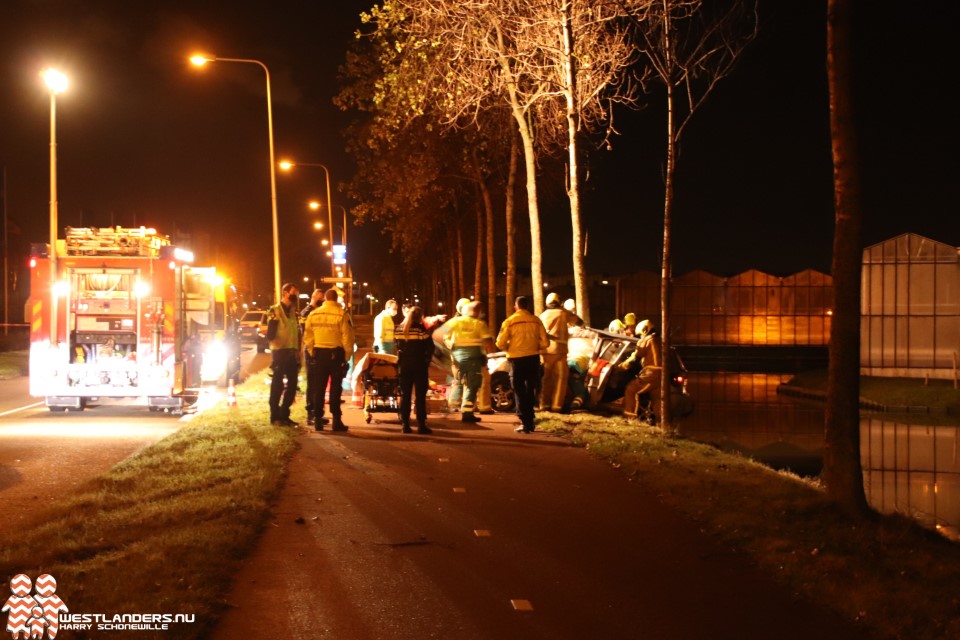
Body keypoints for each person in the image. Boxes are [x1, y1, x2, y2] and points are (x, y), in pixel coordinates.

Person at [303, 288, 355, 432]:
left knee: (319, 388)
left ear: (325, 299)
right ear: (336, 299)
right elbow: (347, 337)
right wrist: (346, 356)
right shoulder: (342, 314)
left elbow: (308, 336)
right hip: (336, 354)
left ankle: (317, 420)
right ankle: (336, 420)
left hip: (319, 354)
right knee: (335, 389)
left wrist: (313, 352)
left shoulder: (313, 314)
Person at [497, 296, 548, 433]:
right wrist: (534, 346)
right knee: (530, 388)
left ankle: (524, 421)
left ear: (516, 307)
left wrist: (510, 347)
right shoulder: (536, 321)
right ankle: (530, 420)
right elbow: (545, 343)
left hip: (516, 359)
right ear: (528, 307)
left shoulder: (509, 321)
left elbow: (500, 343)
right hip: (533, 358)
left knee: (518, 390)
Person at [443, 301, 494, 423]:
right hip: (473, 359)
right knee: (472, 385)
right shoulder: (479, 324)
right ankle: (467, 412)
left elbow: (440, 335)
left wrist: (451, 347)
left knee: (459, 382)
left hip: (457, 359)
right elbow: (488, 343)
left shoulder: (453, 321)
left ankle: (452, 405)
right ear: (476, 312)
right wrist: (488, 355)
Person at [539, 292, 584, 412]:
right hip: (560, 351)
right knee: (561, 379)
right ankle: (556, 406)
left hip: (545, 352)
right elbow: (579, 322)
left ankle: (544, 405)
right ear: (559, 302)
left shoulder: (542, 315)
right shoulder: (563, 313)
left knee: (546, 380)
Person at [395, 306, 435, 434]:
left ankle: (405, 424)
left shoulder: (399, 328)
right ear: (420, 316)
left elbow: (397, 345)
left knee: (405, 395)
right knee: (420, 395)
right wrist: (427, 359)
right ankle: (421, 424)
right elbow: (430, 347)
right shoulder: (420, 329)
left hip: (404, 364)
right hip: (419, 364)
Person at [266, 283, 301, 427]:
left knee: (292, 385)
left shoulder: (294, 312)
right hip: (280, 353)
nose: (295, 296)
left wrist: (298, 350)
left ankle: (284, 414)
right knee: (277, 386)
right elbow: (270, 334)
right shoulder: (275, 310)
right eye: (293, 292)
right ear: (285, 293)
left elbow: (296, 333)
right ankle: (275, 416)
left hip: (292, 352)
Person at [618, 319, 663, 423]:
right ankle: (661, 424)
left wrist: (621, 366)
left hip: (651, 373)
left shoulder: (646, 340)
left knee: (631, 390)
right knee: (656, 398)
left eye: (640, 335)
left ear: (644, 331)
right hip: (662, 373)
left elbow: (635, 358)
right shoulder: (659, 340)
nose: (640, 337)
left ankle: (630, 419)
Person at [300, 289, 325, 426]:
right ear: (313, 297)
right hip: (310, 351)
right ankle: (311, 414)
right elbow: (306, 334)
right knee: (312, 383)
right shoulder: (306, 312)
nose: (321, 302)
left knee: (319, 383)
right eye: (319, 299)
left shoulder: (320, 312)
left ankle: (318, 413)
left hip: (320, 349)